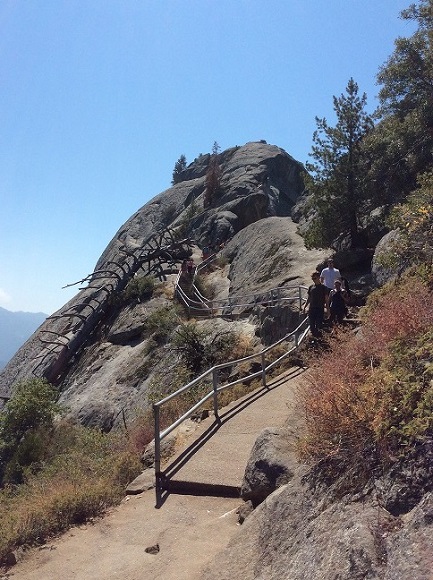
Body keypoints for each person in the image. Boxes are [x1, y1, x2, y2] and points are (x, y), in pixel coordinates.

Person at [303, 271, 330, 337]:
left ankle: (320, 338)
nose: (313, 280)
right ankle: (314, 338)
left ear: (319, 277)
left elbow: (326, 299)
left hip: (320, 308)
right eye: (312, 279)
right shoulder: (311, 287)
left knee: (319, 324)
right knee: (311, 324)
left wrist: (328, 310)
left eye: (314, 278)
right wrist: (305, 306)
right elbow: (309, 298)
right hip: (312, 308)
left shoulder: (324, 288)